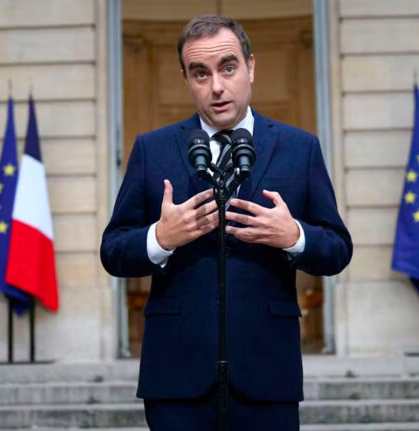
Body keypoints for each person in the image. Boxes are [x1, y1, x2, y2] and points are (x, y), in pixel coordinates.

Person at [100, 14, 352, 430]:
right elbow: (113, 251)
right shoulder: (152, 149)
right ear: (186, 79)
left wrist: (294, 236)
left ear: (251, 67)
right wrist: (160, 238)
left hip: (268, 372)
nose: (216, 86)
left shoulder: (300, 148)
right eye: (201, 73)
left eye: (228, 68)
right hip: (176, 376)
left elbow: (338, 249)